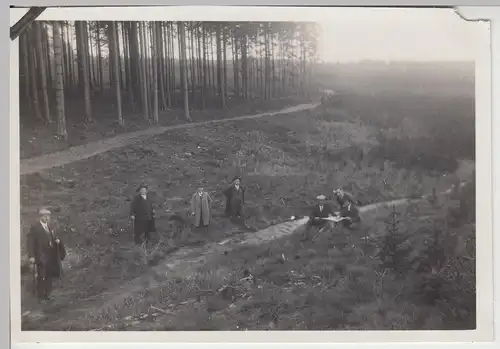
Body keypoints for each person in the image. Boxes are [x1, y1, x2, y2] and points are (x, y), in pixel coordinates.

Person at [26, 208, 67, 303]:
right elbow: (30, 242)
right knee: (42, 276)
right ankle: (41, 297)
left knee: (49, 275)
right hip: (40, 255)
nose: (47, 218)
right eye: (44, 216)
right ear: (40, 217)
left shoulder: (50, 227)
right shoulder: (35, 227)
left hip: (50, 255)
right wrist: (31, 256)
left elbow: (53, 238)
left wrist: (57, 241)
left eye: (48, 216)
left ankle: (48, 294)